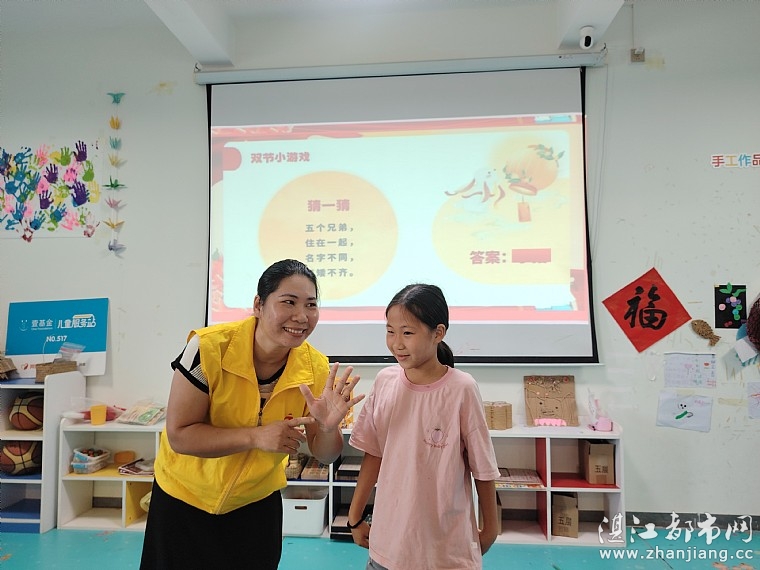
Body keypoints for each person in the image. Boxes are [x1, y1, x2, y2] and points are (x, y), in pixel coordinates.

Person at [140, 259, 363, 570]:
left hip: (256, 505)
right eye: (289, 302)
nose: (302, 316)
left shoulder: (316, 368)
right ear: (259, 304)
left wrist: (327, 428)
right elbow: (180, 435)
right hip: (183, 500)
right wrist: (256, 437)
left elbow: (326, 455)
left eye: (311, 305)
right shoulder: (207, 348)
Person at [347, 284, 500, 570]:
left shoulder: (462, 388)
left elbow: (482, 466)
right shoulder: (385, 381)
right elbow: (374, 453)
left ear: (438, 333)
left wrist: (491, 528)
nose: (397, 343)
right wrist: (354, 517)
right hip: (388, 545)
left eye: (407, 333)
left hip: (445, 550)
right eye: (390, 331)